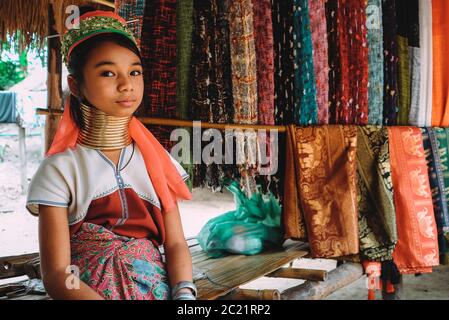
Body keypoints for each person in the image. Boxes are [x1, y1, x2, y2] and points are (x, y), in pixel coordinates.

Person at [26, 8, 195, 300]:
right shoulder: (59, 170)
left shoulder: (158, 160)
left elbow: (177, 244)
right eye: (107, 72)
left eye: (134, 72)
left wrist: (184, 294)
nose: (126, 84)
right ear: (75, 85)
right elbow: (57, 275)